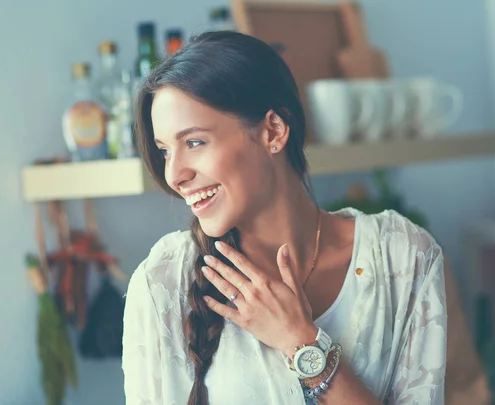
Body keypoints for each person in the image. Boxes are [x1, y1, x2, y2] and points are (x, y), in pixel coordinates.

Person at [122, 30, 447, 405]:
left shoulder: (402, 258)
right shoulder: (164, 279)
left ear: (273, 131)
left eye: (194, 142)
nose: (174, 175)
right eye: (165, 151)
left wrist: (299, 341)